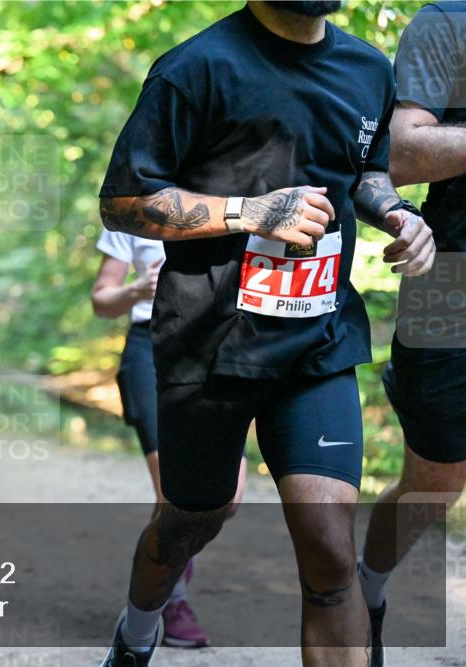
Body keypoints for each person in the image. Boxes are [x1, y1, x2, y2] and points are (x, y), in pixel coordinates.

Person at [95, 2, 437, 666]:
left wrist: (396, 213)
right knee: (194, 517)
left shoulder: (367, 68)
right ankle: (137, 632)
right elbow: (124, 200)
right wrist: (247, 211)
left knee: (331, 550)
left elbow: (366, 171)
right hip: (210, 344)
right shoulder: (195, 68)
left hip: (319, 339)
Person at [359, 4, 466, 666]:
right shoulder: (448, 20)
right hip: (451, 283)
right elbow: (398, 154)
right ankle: (365, 595)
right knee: (434, 481)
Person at [92, 230, 248, 649]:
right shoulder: (139, 205)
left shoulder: (240, 192)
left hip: (221, 342)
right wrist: (137, 289)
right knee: (177, 494)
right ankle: (169, 602)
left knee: (227, 499)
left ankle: (158, 581)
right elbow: (101, 300)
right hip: (151, 344)